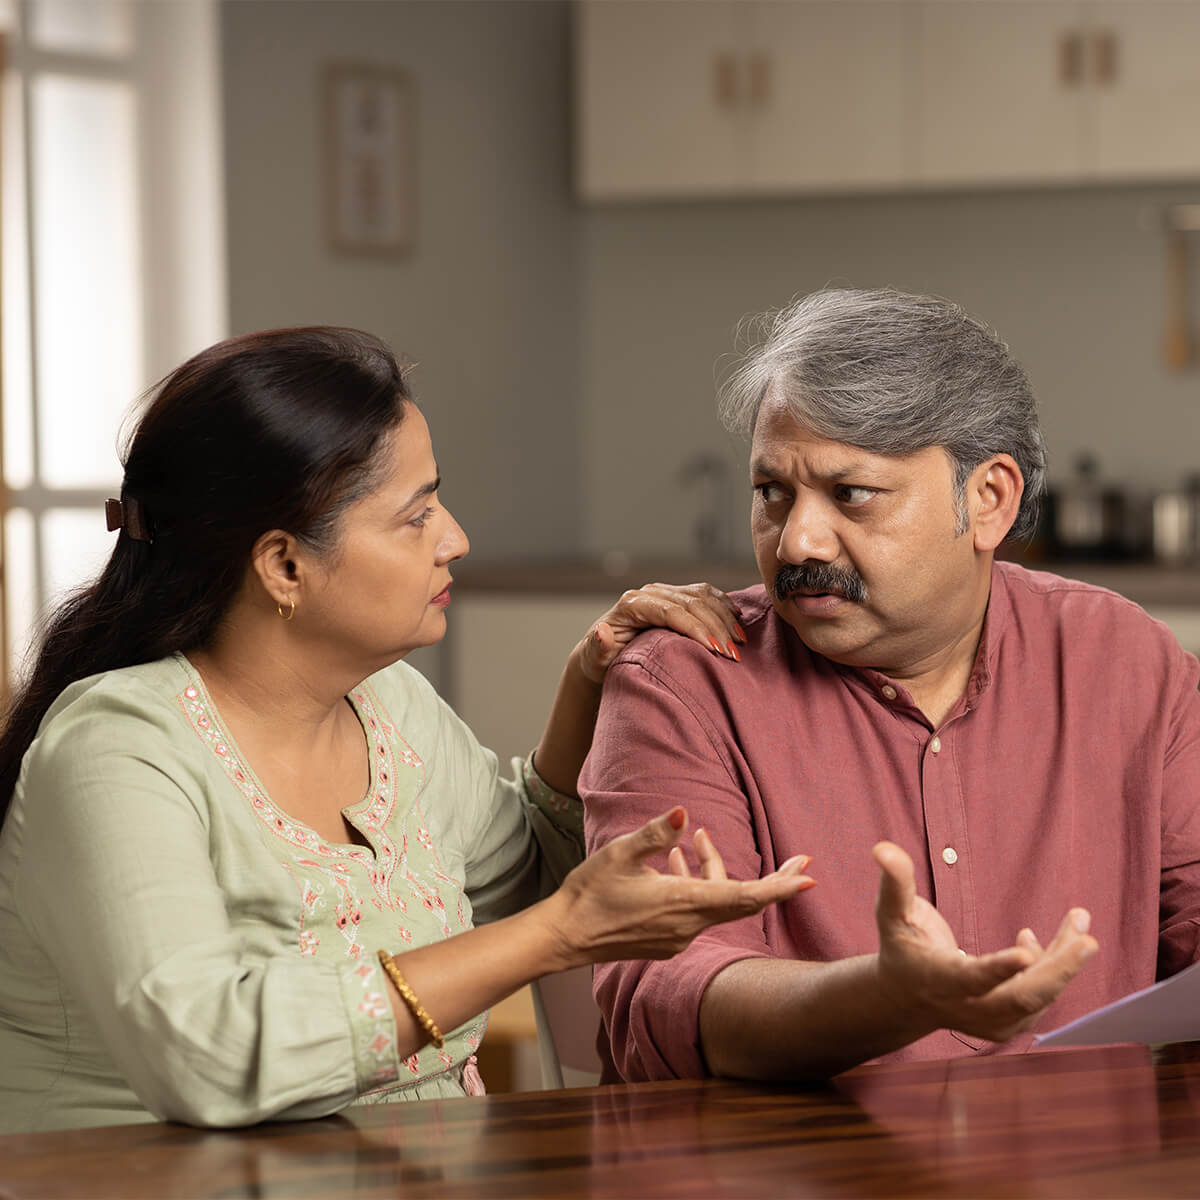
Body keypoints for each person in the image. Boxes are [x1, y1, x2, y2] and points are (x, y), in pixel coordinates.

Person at [0, 327, 816, 1132]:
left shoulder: (390, 705)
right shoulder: (116, 750)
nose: (454, 539)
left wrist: (587, 678)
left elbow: (525, 871)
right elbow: (211, 1059)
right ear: (284, 564)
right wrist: (562, 933)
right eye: (415, 516)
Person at [581, 287, 1200, 1084]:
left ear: (989, 500)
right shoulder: (681, 683)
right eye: (773, 492)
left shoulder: (1126, 659)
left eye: (851, 494)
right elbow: (663, 999)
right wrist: (885, 1000)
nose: (797, 537)